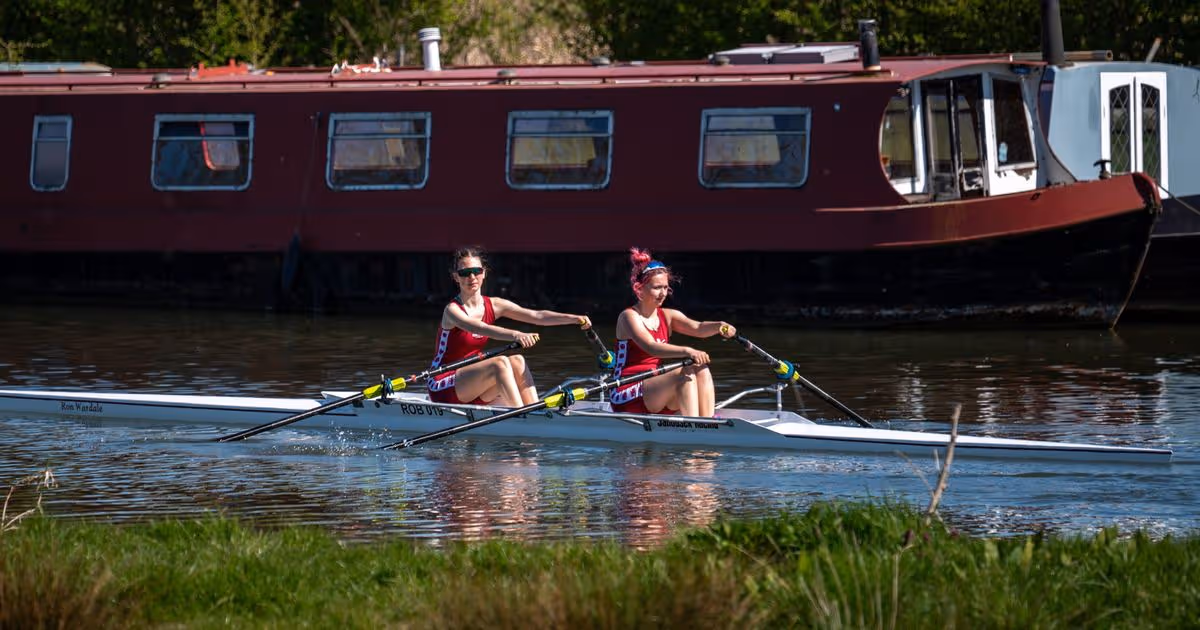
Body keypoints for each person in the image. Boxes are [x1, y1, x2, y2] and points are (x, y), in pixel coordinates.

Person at [427, 247, 592, 407]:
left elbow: (537, 316)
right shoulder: (452, 310)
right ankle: (521, 417)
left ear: (484, 273)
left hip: (472, 383)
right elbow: (479, 328)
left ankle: (534, 411)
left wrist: (574, 319)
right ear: (456, 277)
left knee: (517, 361)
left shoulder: (495, 304)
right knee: (499, 363)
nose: (472, 277)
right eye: (464, 273)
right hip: (442, 382)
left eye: (476, 271)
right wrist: (516, 335)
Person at [611, 248, 735, 417]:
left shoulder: (668, 316)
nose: (662, 293)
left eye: (665, 287)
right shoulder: (628, 316)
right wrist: (688, 350)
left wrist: (718, 326)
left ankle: (708, 421)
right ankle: (694, 427)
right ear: (639, 289)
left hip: (655, 390)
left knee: (701, 368)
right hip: (625, 392)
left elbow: (698, 328)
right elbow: (651, 346)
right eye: (656, 288)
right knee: (683, 372)